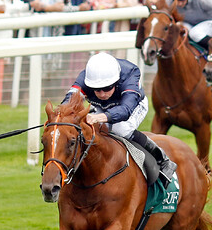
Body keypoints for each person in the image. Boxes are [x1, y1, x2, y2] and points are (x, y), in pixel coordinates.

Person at [62, 52, 176, 182]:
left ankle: (162, 159)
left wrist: (99, 117)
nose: (102, 94)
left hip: (133, 105)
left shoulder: (131, 74)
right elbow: (69, 101)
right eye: (97, 89)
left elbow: (125, 110)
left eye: (107, 88)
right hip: (103, 107)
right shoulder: (85, 77)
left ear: (116, 82)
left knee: (120, 129)